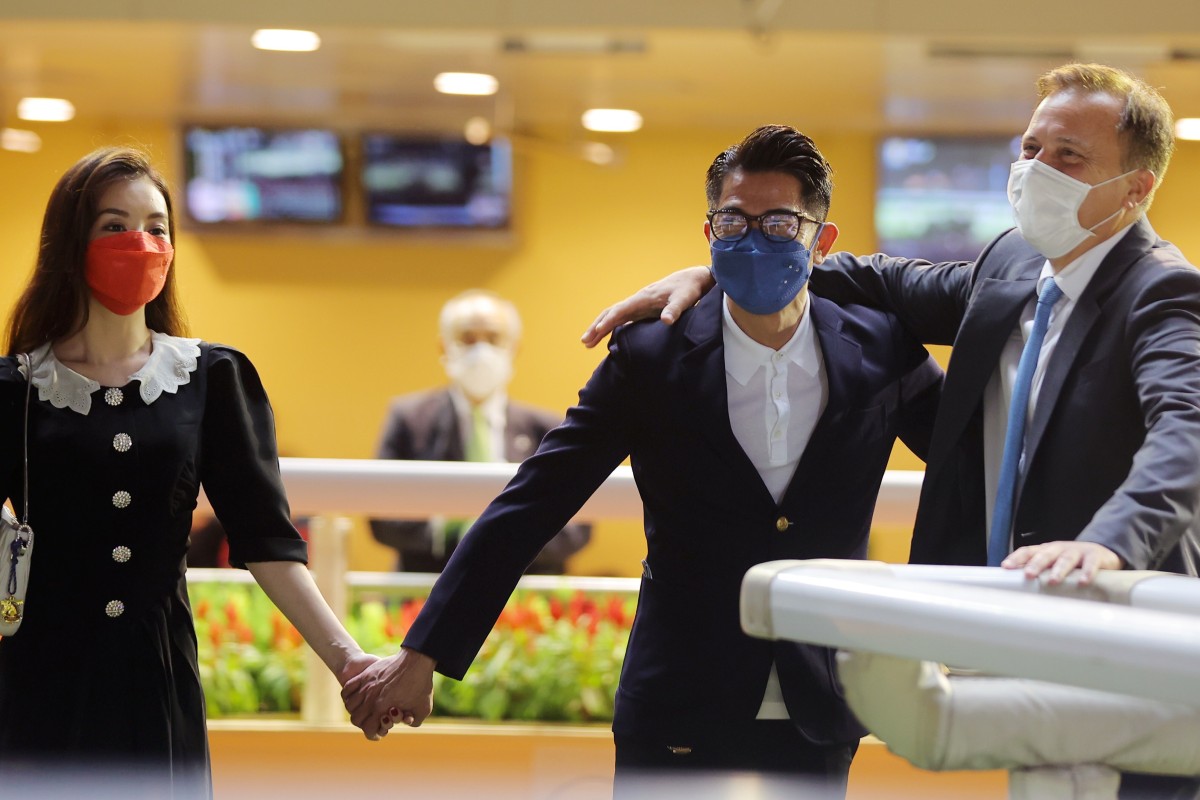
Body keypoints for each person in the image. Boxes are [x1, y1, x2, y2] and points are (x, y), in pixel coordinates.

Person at [583, 64, 1200, 799]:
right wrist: (730, 263)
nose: (1037, 171)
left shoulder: (1163, 291)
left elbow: (1186, 432)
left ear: (1136, 188)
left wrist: (1108, 542)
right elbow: (875, 278)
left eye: (1069, 156)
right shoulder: (1013, 264)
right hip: (1023, 627)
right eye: (1031, 148)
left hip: (1123, 637)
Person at [343, 125, 943, 797]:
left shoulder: (880, 348)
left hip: (820, 702)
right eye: (733, 221)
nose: (753, 239)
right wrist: (424, 653)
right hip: (679, 702)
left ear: (820, 241)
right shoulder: (650, 358)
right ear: (709, 232)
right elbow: (533, 503)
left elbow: (972, 462)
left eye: (779, 223)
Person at [0, 147, 383, 798]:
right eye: (114, 226)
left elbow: (267, 543)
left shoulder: (211, 378)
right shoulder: (16, 388)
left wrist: (350, 662)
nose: (140, 242)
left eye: (156, 226)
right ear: (72, 243)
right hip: (38, 675)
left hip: (157, 676)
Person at [368, 290, 590, 574]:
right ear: (444, 347)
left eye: (493, 338)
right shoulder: (409, 419)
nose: (480, 351)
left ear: (514, 348)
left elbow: (578, 527)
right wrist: (456, 533)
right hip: (429, 584)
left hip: (527, 593)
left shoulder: (548, 428)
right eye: (467, 338)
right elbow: (382, 518)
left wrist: (507, 538)